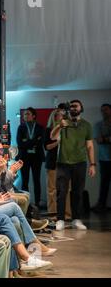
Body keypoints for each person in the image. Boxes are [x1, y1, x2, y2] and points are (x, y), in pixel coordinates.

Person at [51, 99, 96, 230]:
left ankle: (76, 219)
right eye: (71, 106)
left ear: (81, 108)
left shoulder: (86, 125)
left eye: (76, 106)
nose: (73, 108)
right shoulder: (63, 122)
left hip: (80, 163)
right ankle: (60, 219)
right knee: (61, 192)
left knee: (78, 192)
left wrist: (93, 164)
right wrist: (60, 125)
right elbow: (52, 137)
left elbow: (89, 146)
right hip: (63, 163)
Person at [44, 108, 72, 218]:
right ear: (54, 117)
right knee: (52, 190)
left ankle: (67, 214)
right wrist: (58, 142)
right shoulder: (48, 130)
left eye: (63, 115)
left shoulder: (68, 130)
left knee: (67, 189)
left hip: (66, 162)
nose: (61, 117)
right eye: (59, 115)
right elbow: (47, 147)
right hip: (52, 163)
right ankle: (52, 214)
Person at [16, 107, 45, 208]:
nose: (25, 116)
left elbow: (41, 142)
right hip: (24, 157)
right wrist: (33, 142)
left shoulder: (40, 127)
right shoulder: (21, 127)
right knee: (25, 180)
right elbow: (20, 143)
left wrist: (27, 142)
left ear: (33, 116)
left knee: (37, 180)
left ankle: (37, 203)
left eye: (28, 114)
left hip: (37, 157)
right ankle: (26, 204)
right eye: (24, 114)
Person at [92, 103, 111, 213]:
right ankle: (101, 205)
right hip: (104, 159)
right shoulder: (98, 125)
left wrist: (105, 139)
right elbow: (98, 140)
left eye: (106, 110)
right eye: (102, 110)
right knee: (104, 183)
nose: (104, 112)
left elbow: (102, 139)